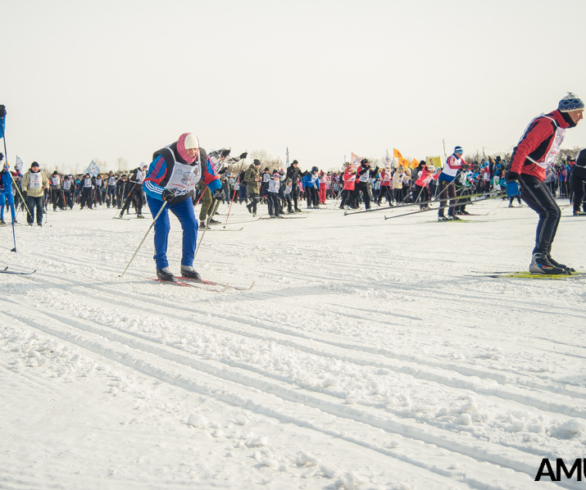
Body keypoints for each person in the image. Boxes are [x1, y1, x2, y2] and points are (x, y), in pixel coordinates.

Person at [506, 92, 584, 274]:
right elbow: (522, 148)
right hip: (524, 173)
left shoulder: (557, 125)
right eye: (579, 112)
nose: (581, 116)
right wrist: (512, 178)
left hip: (531, 174)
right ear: (568, 110)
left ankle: (544, 256)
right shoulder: (547, 123)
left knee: (552, 212)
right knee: (551, 211)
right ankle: (540, 259)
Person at [143, 133, 223, 281]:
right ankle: (161, 266)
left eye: (195, 149)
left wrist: (217, 188)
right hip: (160, 197)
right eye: (188, 150)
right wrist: (162, 193)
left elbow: (211, 177)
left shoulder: (202, 158)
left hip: (182, 197)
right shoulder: (166, 157)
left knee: (192, 224)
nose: (192, 153)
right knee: (163, 225)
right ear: (181, 148)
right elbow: (148, 184)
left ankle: (187, 265)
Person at [437, 146, 471, 221]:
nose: (461, 153)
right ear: (456, 152)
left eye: (462, 151)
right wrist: (462, 166)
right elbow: (451, 166)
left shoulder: (460, 159)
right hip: (444, 179)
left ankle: (451, 214)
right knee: (445, 197)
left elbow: (466, 165)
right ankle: (440, 215)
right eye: (460, 152)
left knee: (454, 197)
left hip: (451, 180)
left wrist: (472, 167)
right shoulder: (451, 157)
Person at [21, 161, 49, 226]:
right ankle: (30, 221)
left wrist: (47, 188)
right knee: (30, 208)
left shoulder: (42, 174)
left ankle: (39, 221)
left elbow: (46, 181)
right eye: (34, 167)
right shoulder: (27, 174)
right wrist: (24, 190)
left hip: (40, 194)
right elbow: (24, 183)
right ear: (31, 167)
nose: (35, 168)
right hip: (30, 194)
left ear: (38, 167)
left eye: (36, 167)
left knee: (40, 207)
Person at [0, 157, 18, 225]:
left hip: (9, 190)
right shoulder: (1, 174)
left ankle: (14, 218)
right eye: (5, 166)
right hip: (3, 191)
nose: (6, 168)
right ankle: (1, 218)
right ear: (3, 167)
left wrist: (17, 170)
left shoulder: (11, 173)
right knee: (2, 204)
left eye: (8, 166)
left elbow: (19, 175)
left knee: (12, 203)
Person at [571, 150, 586, 215]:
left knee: (582, 192)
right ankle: (576, 209)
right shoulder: (584, 152)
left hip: (581, 173)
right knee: (580, 192)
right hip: (578, 174)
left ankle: (583, 208)